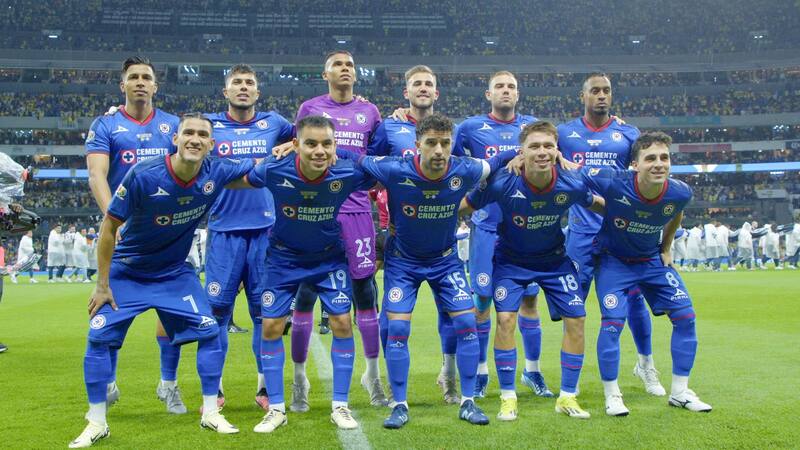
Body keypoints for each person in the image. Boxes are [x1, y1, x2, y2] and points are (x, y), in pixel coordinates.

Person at [68, 114, 254, 448]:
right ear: (176, 139)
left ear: (211, 144)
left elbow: (260, 170)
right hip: (129, 270)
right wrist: (102, 284)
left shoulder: (216, 171)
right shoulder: (143, 174)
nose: (195, 139)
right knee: (97, 337)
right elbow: (109, 228)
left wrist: (289, 150)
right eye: (188, 133)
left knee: (210, 329)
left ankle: (210, 412)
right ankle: (96, 421)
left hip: (173, 272)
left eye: (202, 135)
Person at [352, 113, 518, 429]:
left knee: (468, 323)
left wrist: (521, 152)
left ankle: (468, 401)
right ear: (417, 146)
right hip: (403, 263)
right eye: (431, 143)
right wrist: (317, 149)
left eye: (445, 143)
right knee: (398, 330)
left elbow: (495, 162)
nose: (439, 151)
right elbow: (356, 159)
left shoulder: (464, 169)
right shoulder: (394, 169)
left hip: (445, 261)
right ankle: (399, 405)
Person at [460, 121, 604, 420]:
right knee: (506, 319)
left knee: (577, 319)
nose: (542, 152)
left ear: (557, 150)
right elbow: (465, 205)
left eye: (548, 146)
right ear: (521, 152)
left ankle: (567, 396)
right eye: (534, 147)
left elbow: (599, 204)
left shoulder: (571, 183)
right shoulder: (503, 182)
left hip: (553, 261)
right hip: (511, 262)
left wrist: (635, 216)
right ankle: (508, 397)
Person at [245, 115, 377, 433]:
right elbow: (240, 179)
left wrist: (344, 153)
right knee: (272, 326)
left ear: (335, 146)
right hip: (283, 260)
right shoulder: (275, 169)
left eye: (327, 144)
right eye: (311, 143)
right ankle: (276, 408)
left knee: (343, 322)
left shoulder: (346, 172)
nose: (319, 151)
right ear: (296, 145)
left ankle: (340, 406)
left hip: (329, 258)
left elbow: (379, 173)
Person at [584, 131, 712, 415]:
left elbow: (676, 211)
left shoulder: (680, 192)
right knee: (613, 322)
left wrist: (666, 246)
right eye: (650, 158)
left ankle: (680, 392)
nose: (659, 164)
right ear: (635, 164)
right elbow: (574, 175)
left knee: (686, 318)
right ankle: (612, 394)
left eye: (664, 158)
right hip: (613, 261)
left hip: (650, 261)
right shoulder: (613, 181)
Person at [288, 50, 387, 408]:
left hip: (358, 213)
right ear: (325, 72)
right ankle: (300, 380)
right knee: (306, 295)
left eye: (351, 65)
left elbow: (376, 161)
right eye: (339, 65)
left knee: (365, 296)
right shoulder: (309, 109)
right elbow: (293, 151)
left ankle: (373, 376)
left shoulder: (370, 112)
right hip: (316, 213)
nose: (346, 69)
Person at [558, 73, 665, 397]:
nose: (601, 96)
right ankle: (569, 382)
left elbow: (640, 175)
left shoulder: (628, 133)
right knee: (574, 307)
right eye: (595, 91)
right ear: (583, 96)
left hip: (618, 235)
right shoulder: (564, 133)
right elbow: (538, 146)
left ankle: (645, 364)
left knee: (635, 303)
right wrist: (559, 158)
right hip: (580, 233)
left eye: (606, 91)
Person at [85, 56, 182, 413]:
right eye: (134, 77)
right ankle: (108, 383)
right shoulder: (106, 125)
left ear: (156, 86)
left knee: (170, 316)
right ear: (122, 85)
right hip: (125, 237)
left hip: (167, 237)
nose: (140, 82)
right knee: (112, 313)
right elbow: (97, 175)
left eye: (147, 77)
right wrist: (116, 219)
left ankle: (167, 384)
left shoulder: (174, 126)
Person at [201, 63, 295, 412]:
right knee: (216, 312)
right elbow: (173, 139)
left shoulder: (275, 124)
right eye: (236, 83)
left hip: (266, 231)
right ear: (225, 92)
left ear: (258, 92)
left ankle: (265, 387)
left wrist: (293, 145)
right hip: (223, 230)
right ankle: (216, 389)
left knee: (264, 313)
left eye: (249, 83)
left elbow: (313, 132)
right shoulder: (209, 127)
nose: (243, 87)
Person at [368, 64, 462, 403]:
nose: (423, 88)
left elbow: (462, 175)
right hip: (399, 237)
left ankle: (449, 374)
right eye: (416, 84)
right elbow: (370, 174)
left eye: (428, 84)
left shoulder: (451, 132)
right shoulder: (388, 128)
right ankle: (381, 379)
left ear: (437, 93)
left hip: (442, 238)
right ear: (405, 92)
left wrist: (458, 211)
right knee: (391, 316)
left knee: (451, 311)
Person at [452, 71, 545, 398]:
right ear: (488, 94)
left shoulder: (534, 127)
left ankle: (533, 372)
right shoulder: (470, 128)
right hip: (486, 227)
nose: (506, 91)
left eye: (511, 87)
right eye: (500, 87)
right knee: (482, 301)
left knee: (530, 300)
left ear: (518, 94)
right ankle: (480, 373)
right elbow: (449, 158)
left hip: (526, 230)